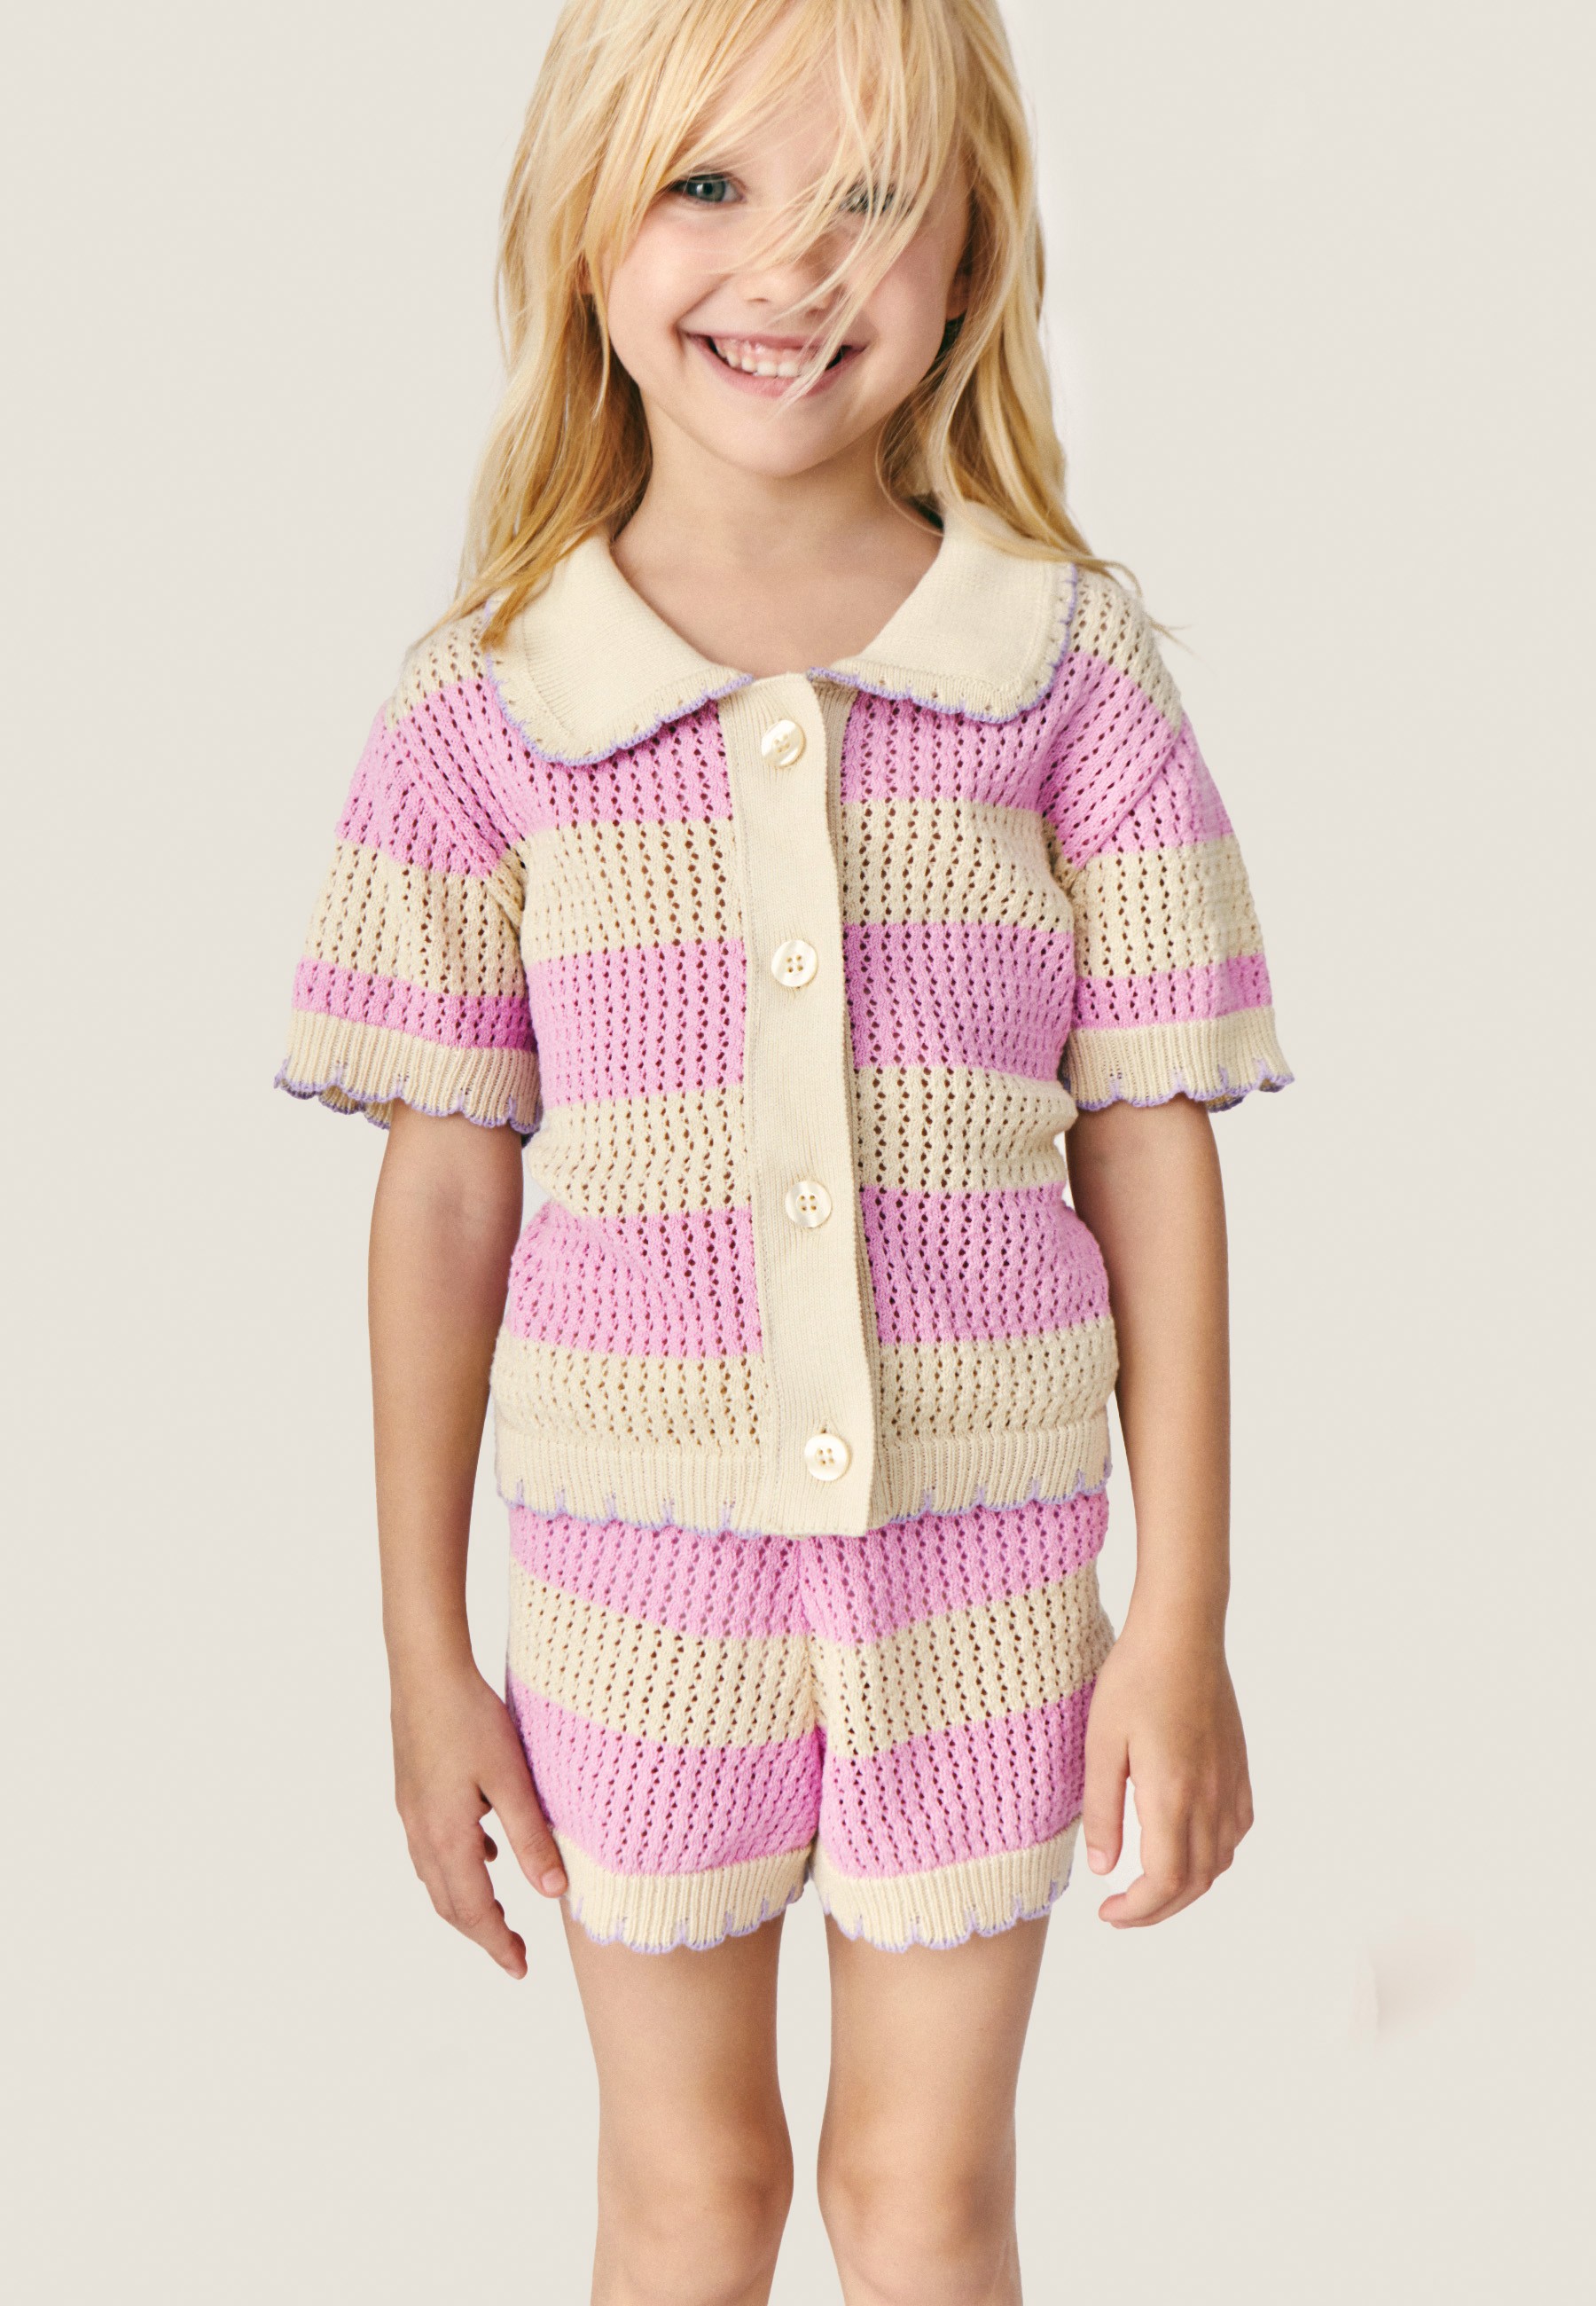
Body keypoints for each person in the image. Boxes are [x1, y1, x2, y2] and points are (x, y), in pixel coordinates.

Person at [275, 2, 1293, 2296]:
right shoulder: (490, 707)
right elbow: (445, 1191)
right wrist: (425, 1654)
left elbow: (1153, 1146)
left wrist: (1184, 1619)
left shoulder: (1066, 674)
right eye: (711, 187)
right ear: (584, 231)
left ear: (973, 252)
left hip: (988, 1567)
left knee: (928, 2199)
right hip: (632, 1580)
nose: (794, 268)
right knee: (691, 2194)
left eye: (872, 200)